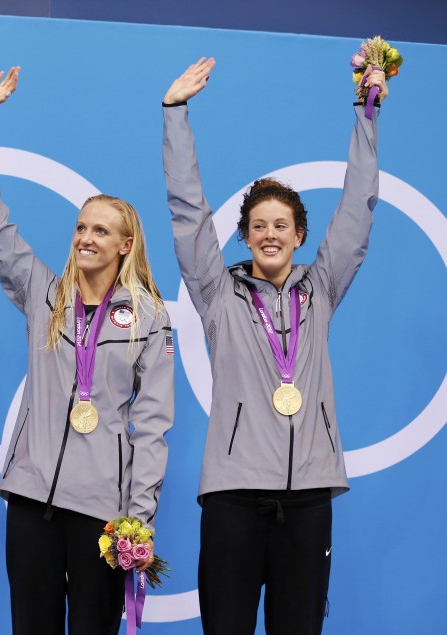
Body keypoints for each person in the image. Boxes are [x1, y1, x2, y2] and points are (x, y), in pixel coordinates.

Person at [161, 57, 388, 634]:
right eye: (257, 226)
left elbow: (357, 211)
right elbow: (188, 216)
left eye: (280, 225)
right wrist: (175, 115)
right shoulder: (217, 291)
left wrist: (368, 113)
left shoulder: (324, 285)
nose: (269, 235)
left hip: (309, 496)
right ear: (243, 236)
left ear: (300, 235)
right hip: (234, 496)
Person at [0, 68, 174, 634]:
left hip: (103, 511)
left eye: (101, 231)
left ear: (125, 245)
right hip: (32, 500)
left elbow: (151, 426)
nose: (85, 237)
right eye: (81, 227)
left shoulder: (150, 317)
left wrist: (139, 519)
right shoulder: (44, 293)